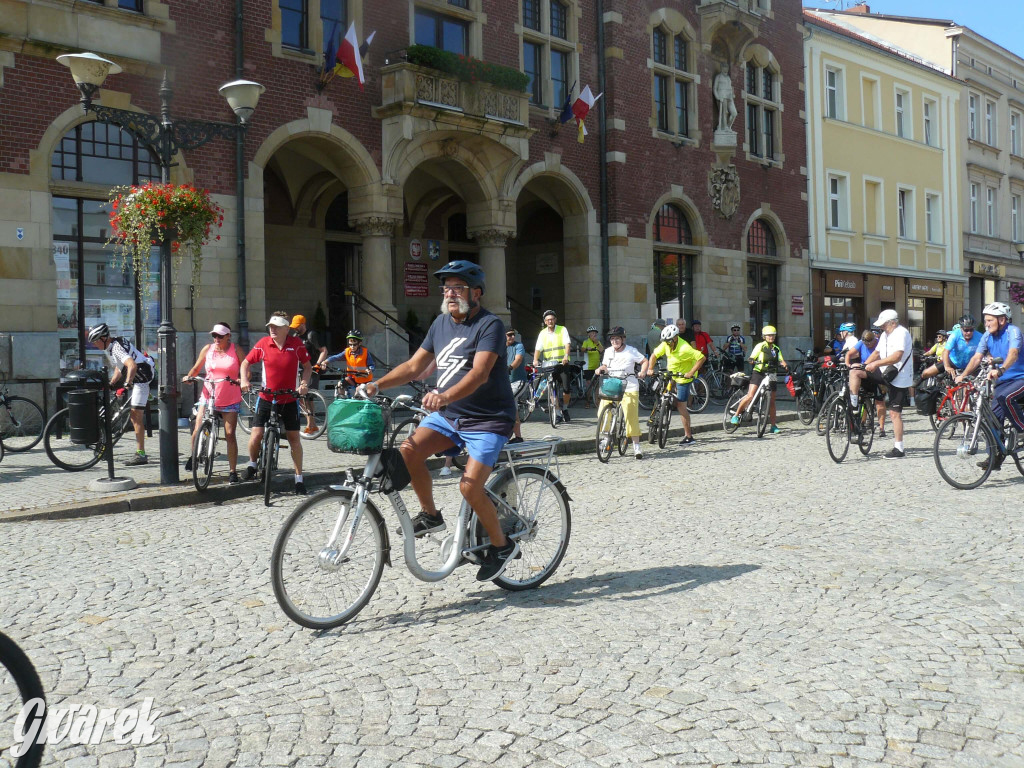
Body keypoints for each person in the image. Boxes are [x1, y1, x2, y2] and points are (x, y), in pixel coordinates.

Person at [365, 260, 520, 582]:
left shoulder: (489, 325)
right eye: (447, 288)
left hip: (489, 419)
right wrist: (377, 384)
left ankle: (501, 545)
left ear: (476, 293)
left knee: (469, 487)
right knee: (408, 451)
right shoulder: (440, 324)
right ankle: (432, 515)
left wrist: (445, 396)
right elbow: (413, 366)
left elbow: (479, 374)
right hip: (450, 416)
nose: (450, 293)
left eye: (458, 287)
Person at [240, 312, 313, 494]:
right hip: (266, 397)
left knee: (294, 438)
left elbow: (308, 367)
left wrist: (303, 384)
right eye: (270, 326)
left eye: (276, 327)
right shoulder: (263, 344)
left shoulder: (296, 345)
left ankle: (299, 479)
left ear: (286, 329)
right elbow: (245, 363)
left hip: (289, 398)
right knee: (256, 434)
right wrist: (244, 380)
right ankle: (252, 464)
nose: (272, 329)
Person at [955, 302, 1024, 471]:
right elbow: (977, 358)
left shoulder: (1013, 332)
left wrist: (1000, 370)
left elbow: (1013, 354)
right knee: (991, 416)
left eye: (989, 320)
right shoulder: (987, 336)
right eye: (985, 320)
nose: (986, 324)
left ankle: (1022, 429)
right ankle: (995, 457)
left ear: (1002, 319)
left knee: (1004, 397)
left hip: (1021, 378)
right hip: (1004, 381)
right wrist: (962, 376)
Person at [87, 323, 156, 466]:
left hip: (142, 378)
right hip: (140, 371)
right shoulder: (113, 345)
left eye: (96, 341)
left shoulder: (116, 348)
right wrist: (111, 383)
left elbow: (132, 365)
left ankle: (141, 454)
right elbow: (120, 367)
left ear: (104, 338)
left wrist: (128, 383)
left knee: (135, 416)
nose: (95, 344)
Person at [182, 323, 244, 482]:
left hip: (230, 395)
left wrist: (243, 379)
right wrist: (189, 377)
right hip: (209, 394)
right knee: (197, 429)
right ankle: (195, 457)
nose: (216, 339)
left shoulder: (236, 350)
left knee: (229, 434)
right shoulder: (207, 349)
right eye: (214, 335)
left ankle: (232, 471)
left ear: (228, 336)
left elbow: (246, 369)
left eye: (220, 336)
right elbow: (196, 368)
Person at [856, 309, 913, 459]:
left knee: (894, 413)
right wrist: (863, 365)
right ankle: (855, 401)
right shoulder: (884, 335)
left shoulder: (902, 333)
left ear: (892, 323)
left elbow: (897, 356)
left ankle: (899, 448)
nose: (881, 327)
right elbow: (877, 352)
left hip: (899, 376)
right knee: (856, 372)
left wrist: (875, 364)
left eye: (883, 325)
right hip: (884, 372)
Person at [648, 323, 705, 445]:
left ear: (675, 338)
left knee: (680, 405)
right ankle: (659, 412)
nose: (667, 344)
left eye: (669, 341)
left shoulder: (685, 348)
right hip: (671, 373)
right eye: (665, 341)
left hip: (683, 377)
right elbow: (654, 355)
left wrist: (691, 372)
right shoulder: (666, 343)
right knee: (659, 391)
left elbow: (701, 358)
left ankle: (689, 437)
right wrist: (650, 368)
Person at [597, 326, 649, 459]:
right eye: (612, 339)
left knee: (630, 415)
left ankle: (636, 446)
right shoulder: (608, 351)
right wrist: (600, 369)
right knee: (603, 411)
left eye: (617, 338)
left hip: (629, 385)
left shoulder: (631, 351)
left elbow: (644, 361)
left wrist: (642, 371)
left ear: (623, 339)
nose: (615, 341)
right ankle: (605, 438)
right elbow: (605, 366)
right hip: (613, 384)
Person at [731, 325, 787, 434]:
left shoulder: (776, 348)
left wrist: (784, 364)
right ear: (764, 336)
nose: (771, 337)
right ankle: (736, 415)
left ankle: (773, 426)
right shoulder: (760, 346)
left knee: (772, 401)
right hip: (759, 372)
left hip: (771, 374)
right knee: (750, 395)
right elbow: (752, 356)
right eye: (769, 335)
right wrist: (752, 360)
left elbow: (781, 360)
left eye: (773, 335)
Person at [532, 309, 572, 424]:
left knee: (566, 388)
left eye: (552, 319)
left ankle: (565, 408)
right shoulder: (542, 333)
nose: (550, 321)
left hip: (562, 363)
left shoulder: (562, 330)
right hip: (549, 364)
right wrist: (535, 359)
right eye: (548, 320)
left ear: (555, 320)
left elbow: (567, 344)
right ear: (545, 322)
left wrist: (566, 356)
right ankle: (558, 413)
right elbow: (538, 348)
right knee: (551, 388)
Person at [845, 329, 887, 439]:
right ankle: (861, 419)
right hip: (865, 371)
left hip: (878, 371)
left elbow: (876, 355)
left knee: (879, 401)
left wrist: (864, 364)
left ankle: (881, 427)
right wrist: (848, 364)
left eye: (869, 343)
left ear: (874, 339)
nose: (867, 345)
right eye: (865, 343)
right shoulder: (861, 343)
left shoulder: (879, 343)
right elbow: (849, 353)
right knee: (861, 397)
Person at [290, 314, 327, 434]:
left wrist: (318, 363)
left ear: (303, 324)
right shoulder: (295, 336)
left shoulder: (312, 335)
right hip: (300, 369)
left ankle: (310, 424)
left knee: (308, 396)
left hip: (312, 369)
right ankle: (312, 424)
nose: (295, 329)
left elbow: (324, 350)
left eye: (297, 326)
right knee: (301, 397)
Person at [325, 330, 375, 398]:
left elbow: (371, 365)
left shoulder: (365, 352)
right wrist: (326, 361)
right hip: (352, 378)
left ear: (359, 343)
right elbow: (336, 357)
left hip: (364, 379)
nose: (352, 346)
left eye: (354, 344)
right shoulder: (347, 351)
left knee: (357, 396)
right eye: (350, 344)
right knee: (340, 384)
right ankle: (342, 401)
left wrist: (370, 369)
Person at [506, 328, 527, 442]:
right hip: (505, 383)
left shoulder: (519, 346)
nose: (512, 337)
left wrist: (510, 367)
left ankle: (513, 435)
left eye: (513, 335)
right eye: (509, 335)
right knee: (513, 408)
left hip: (518, 381)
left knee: (508, 400)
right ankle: (518, 437)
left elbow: (518, 359)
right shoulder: (499, 348)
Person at [581, 325, 604, 408]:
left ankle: (597, 401)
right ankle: (587, 401)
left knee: (597, 384)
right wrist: (587, 349)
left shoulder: (598, 342)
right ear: (589, 335)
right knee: (589, 384)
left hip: (597, 366)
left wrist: (597, 343)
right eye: (592, 333)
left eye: (595, 333)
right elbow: (582, 349)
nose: (594, 334)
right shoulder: (586, 342)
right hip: (588, 367)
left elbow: (602, 350)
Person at [714, 62, 737, 132]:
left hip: (729, 97)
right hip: (722, 95)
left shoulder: (728, 78)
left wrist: (732, 94)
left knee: (734, 113)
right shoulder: (718, 77)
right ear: (721, 68)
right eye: (724, 67)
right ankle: (724, 128)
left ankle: (728, 126)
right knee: (724, 112)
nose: (726, 69)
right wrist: (717, 97)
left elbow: (730, 88)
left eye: (727, 68)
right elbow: (714, 88)